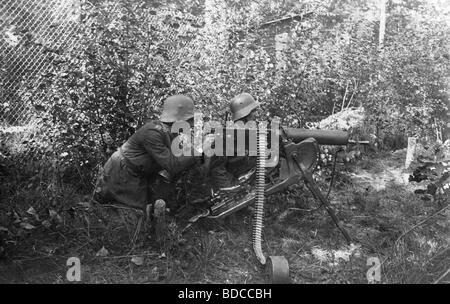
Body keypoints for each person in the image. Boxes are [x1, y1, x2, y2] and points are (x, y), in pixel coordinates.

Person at [94, 95, 199, 210]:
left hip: (137, 175)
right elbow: (172, 165)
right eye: (189, 120)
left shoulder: (172, 132)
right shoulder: (153, 132)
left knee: (140, 215)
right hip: (123, 173)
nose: (191, 124)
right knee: (121, 215)